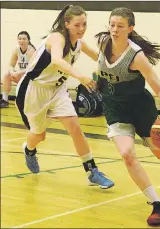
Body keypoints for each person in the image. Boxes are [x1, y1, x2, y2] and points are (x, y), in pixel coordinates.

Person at [95, 7, 160, 226]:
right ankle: (158, 205)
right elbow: (85, 52)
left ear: (130, 29)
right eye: (112, 24)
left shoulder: (136, 56)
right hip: (114, 108)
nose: (114, 29)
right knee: (127, 154)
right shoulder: (102, 42)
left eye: (120, 26)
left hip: (140, 107)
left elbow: (158, 87)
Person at [15, 5, 114, 189]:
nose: (82, 28)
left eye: (84, 24)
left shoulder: (80, 43)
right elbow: (57, 61)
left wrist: (118, 66)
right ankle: (28, 150)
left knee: (75, 127)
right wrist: (80, 76)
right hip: (34, 90)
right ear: (67, 24)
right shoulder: (57, 38)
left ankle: (92, 171)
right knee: (39, 135)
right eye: (77, 25)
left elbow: (101, 59)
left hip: (58, 90)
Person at [0, 31, 36, 108]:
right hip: (22, 76)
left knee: (25, 103)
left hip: (32, 78)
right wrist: (12, 71)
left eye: (24, 39)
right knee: (7, 75)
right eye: (19, 39)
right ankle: (5, 100)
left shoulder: (31, 51)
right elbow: (11, 65)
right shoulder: (16, 50)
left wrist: (18, 72)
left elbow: (32, 68)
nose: (21, 41)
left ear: (28, 40)